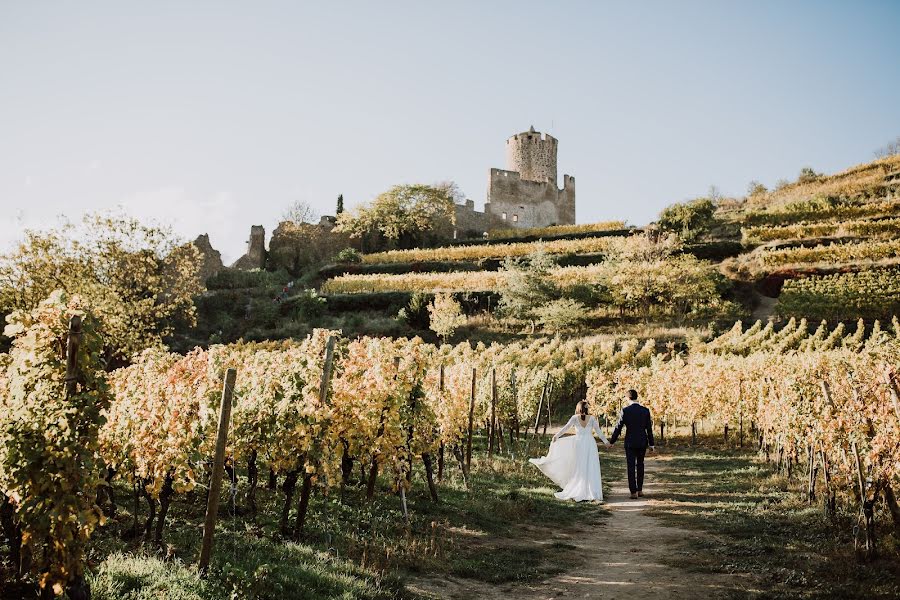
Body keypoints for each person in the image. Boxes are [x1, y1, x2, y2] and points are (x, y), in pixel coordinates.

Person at [529, 400, 609, 502]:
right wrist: (606, 443)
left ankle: (580, 490)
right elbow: (599, 432)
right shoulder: (592, 418)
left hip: (579, 443)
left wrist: (556, 436)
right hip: (590, 443)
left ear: (578, 408)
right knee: (590, 465)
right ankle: (592, 491)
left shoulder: (575, 418)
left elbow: (565, 428)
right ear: (586, 408)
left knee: (579, 467)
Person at [608, 389, 654, 499]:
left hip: (630, 442)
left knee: (631, 466)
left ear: (628, 398)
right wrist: (651, 444)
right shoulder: (645, 411)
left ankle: (633, 492)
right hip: (642, 441)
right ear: (636, 397)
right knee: (641, 465)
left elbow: (618, 427)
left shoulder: (625, 410)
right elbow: (649, 429)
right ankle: (640, 490)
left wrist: (612, 441)